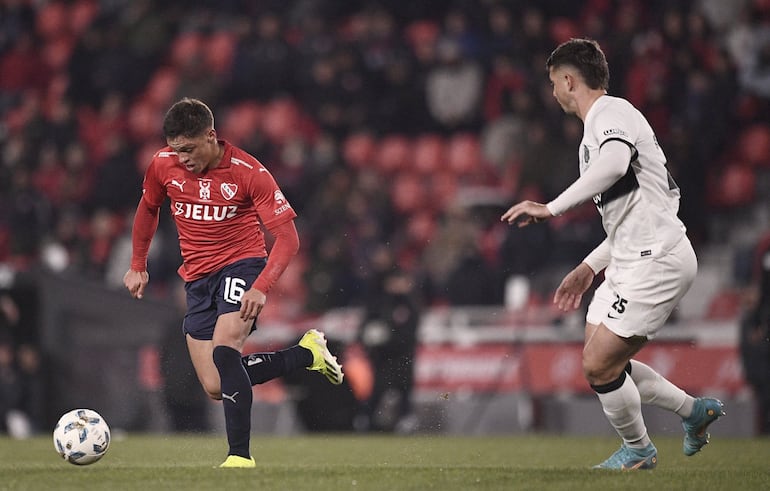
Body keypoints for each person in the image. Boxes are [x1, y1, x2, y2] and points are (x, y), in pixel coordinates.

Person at [501, 39, 723, 470]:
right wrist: (589, 266)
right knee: (604, 365)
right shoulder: (597, 129)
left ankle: (639, 451)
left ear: (568, 80)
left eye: (552, 83)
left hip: (656, 258)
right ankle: (694, 412)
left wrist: (550, 207)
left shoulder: (611, 113)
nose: (551, 92)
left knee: (599, 364)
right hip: (629, 256)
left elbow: (616, 164)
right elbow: (630, 214)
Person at [123, 98, 343, 468]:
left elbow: (288, 239)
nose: (184, 159)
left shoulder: (248, 171)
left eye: (190, 149)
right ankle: (306, 354)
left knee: (226, 352)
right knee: (214, 385)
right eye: (177, 151)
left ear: (211, 135)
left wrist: (261, 285)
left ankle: (239, 457)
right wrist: (137, 264)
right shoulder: (163, 165)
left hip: (242, 267)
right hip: (196, 280)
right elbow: (148, 208)